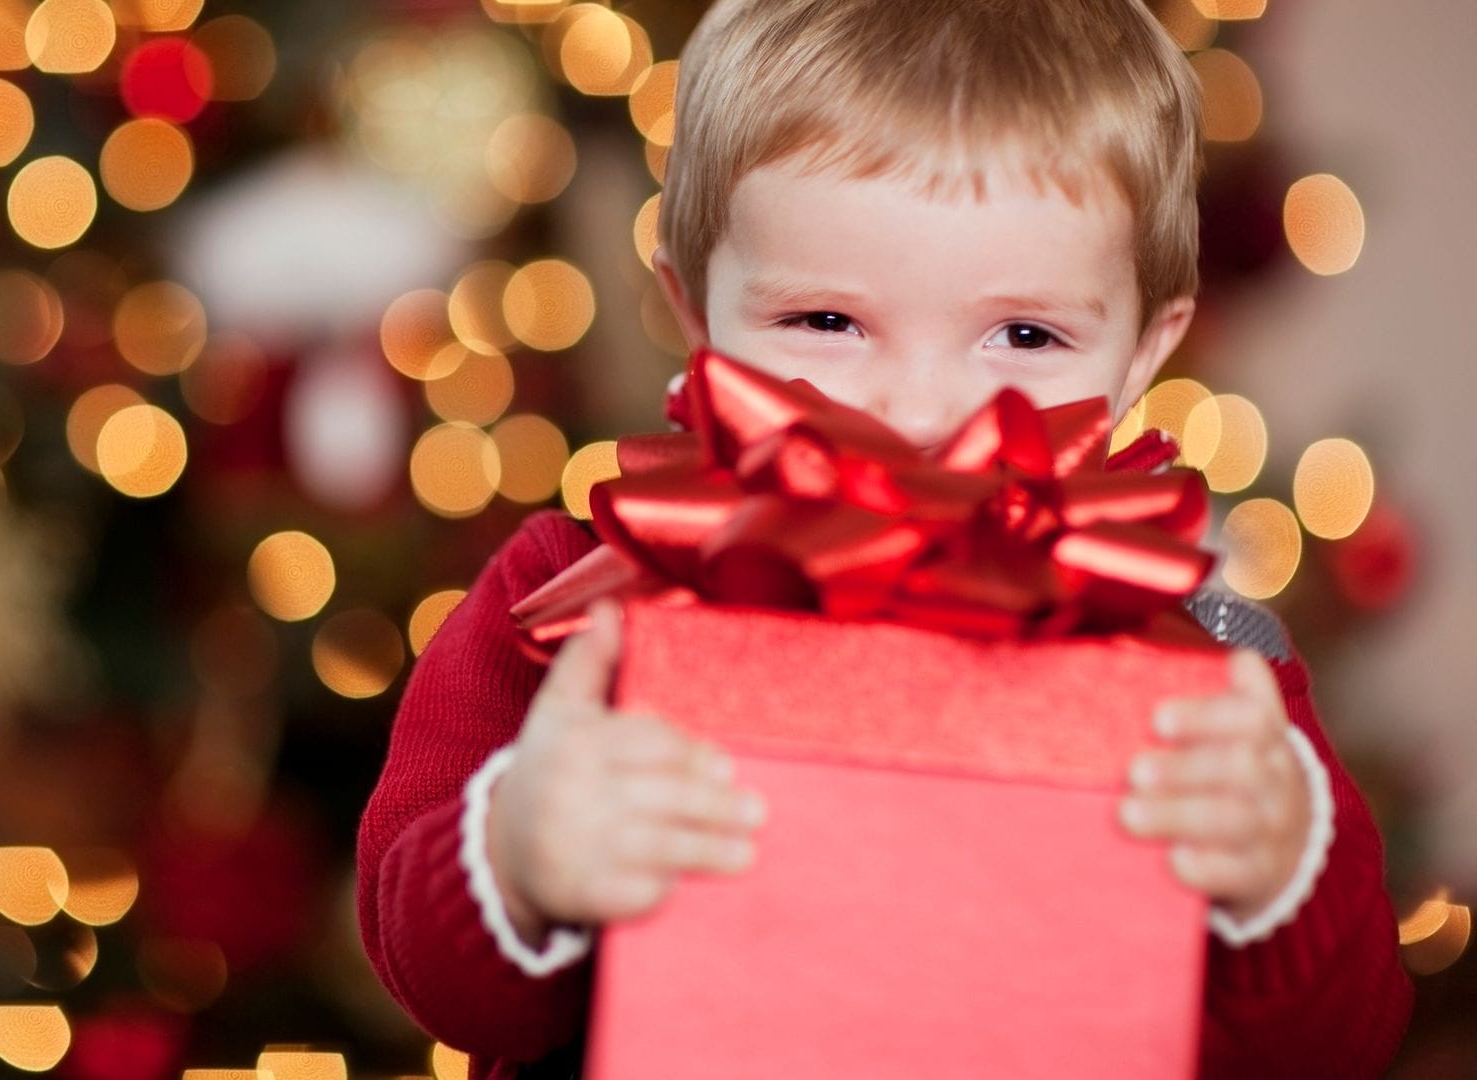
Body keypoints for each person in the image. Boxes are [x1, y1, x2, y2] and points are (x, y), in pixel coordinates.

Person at [356, 1, 1415, 1076]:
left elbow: (1346, 1044)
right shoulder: (577, 596)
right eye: (826, 321)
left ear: (1145, 351)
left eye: (1025, 335)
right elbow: (423, 965)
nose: (920, 411)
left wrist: (1277, 874)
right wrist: (515, 857)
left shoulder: (1202, 661)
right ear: (692, 307)